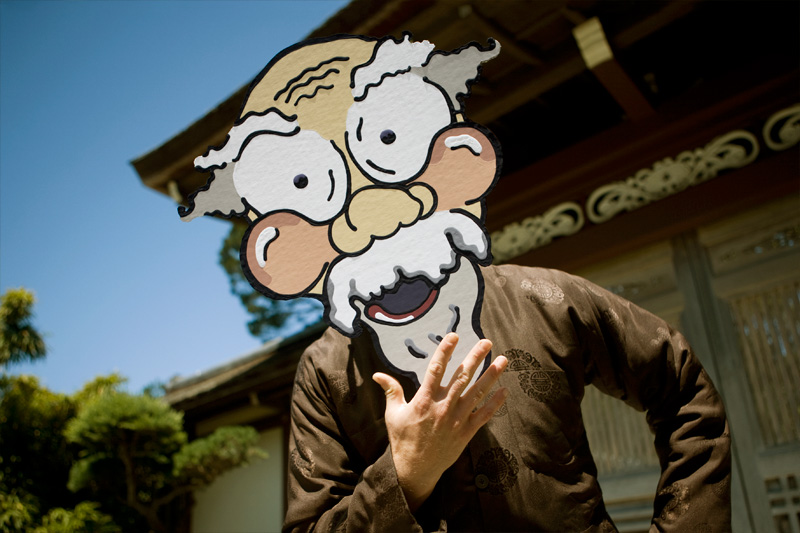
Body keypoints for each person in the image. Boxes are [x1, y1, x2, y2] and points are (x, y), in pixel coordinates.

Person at [176, 34, 730, 532]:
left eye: (388, 147)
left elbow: (683, 391)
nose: (371, 215)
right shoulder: (327, 373)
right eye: (312, 185)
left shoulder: (548, 301)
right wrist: (406, 474)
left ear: (459, 156)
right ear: (279, 250)